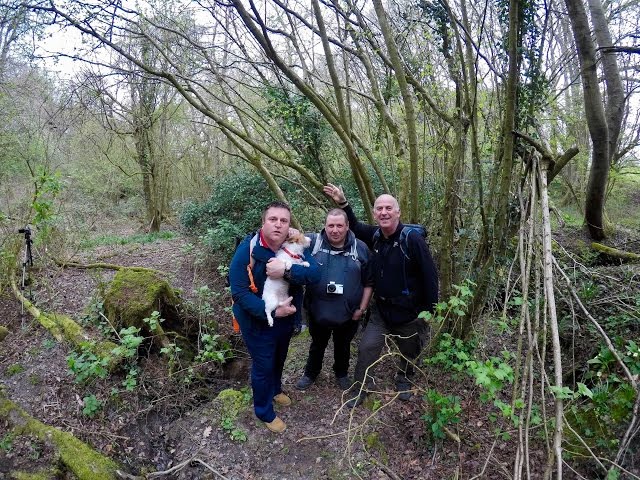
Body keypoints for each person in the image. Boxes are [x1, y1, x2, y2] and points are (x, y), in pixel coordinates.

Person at [323, 184, 438, 407]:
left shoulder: (412, 240)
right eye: (379, 209)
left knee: (409, 351)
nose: (383, 212)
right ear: (375, 213)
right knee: (367, 347)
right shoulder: (375, 236)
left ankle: (403, 380)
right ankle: (361, 389)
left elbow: (430, 276)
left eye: (388, 208)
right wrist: (342, 202)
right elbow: (354, 226)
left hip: (410, 313)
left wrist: (429, 311)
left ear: (398, 212)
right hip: (382, 312)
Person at [229, 201, 320, 432]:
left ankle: (276, 389)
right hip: (256, 319)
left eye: (283, 220)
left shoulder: (293, 244)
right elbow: (238, 292)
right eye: (273, 219)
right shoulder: (248, 249)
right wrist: (269, 311)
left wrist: (288, 271)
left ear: (289, 226)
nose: (278, 225)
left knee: (279, 357)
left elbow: (316, 273)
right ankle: (264, 411)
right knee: (263, 364)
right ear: (263, 222)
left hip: (286, 317)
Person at [295, 209, 374, 392]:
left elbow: (369, 282)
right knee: (317, 344)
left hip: (348, 312)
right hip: (317, 309)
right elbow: (285, 244)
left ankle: (341, 373)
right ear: (325, 226)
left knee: (343, 345)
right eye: (331, 225)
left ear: (347, 226)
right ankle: (311, 373)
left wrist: (361, 309)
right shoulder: (312, 243)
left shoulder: (360, 248)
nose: (335, 230)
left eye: (339, 225)